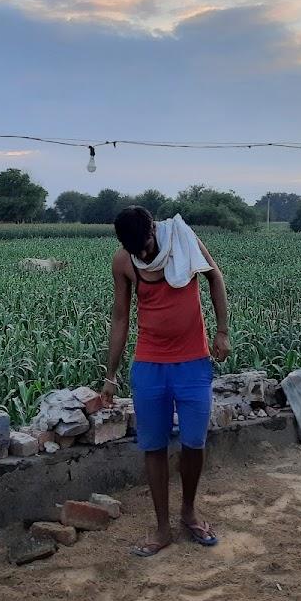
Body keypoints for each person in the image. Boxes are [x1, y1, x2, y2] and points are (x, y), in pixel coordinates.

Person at [101, 206, 230, 556]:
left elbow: (215, 277)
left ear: (154, 229)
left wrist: (221, 331)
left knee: (194, 442)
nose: (143, 254)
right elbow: (120, 316)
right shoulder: (123, 262)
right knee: (153, 446)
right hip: (149, 364)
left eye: (145, 245)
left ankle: (188, 512)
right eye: (135, 250)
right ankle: (162, 528)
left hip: (193, 362)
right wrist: (109, 376)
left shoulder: (182, 239)